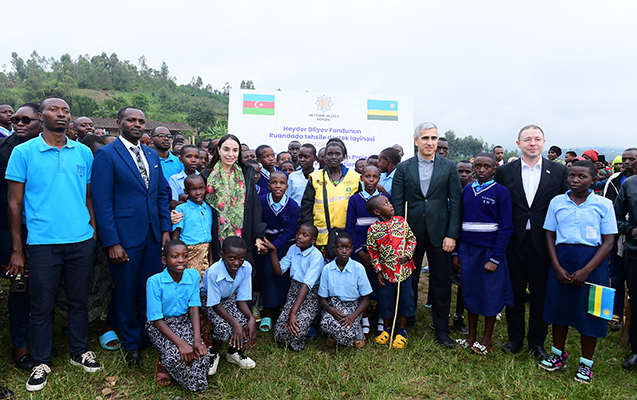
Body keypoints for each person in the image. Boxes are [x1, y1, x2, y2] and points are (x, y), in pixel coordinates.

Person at [6, 97, 100, 391]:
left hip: (80, 241)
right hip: (43, 242)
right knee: (41, 305)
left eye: (66, 111)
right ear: (40, 115)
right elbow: (13, 203)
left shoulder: (83, 153)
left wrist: (93, 231)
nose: (61, 115)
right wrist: (18, 249)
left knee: (78, 300)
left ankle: (79, 351)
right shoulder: (23, 152)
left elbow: (87, 196)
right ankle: (41, 361)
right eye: (53, 110)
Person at [92, 106, 172, 368]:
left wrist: (164, 230)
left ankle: (148, 334)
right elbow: (102, 202)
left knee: (148, 290)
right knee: (125, 292)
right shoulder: (106, 154)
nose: (137, 124)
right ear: (119, 123)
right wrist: (112, 241)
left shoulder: (151, 154)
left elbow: (160, 194)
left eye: (141, 121)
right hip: (124, 238)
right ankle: (131, 343)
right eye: (131, 120)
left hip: (152, 236)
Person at [494, 124, 569, 359]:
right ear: (518, 144)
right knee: (514, 293)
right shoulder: (505, 171)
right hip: (514, 241)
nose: (532, 143)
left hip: (544, 242)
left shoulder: (558, 172)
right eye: (527, 139)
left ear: (544, 143)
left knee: (540, 294)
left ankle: (537, 341)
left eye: (537, 139)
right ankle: (515, 338)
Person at [539, 160, 616, 383]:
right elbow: (549, 235)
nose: (575, 180)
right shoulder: (557, 202)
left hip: (593, 264)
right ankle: (557, 354)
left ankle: (586, 363)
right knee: (559, 310)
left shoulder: (603, 205)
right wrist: (557, 266)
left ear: (593, 179)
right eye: (572, 175)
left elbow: (609, 241)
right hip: (562, 261)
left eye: (582, 177)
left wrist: (587, 270)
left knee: (590, 314)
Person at [391, 122, 461, 348]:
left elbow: (456, 203)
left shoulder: (449, 167)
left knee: (441, 280)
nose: (430, 142)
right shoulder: (404, 168)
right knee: (408, 279)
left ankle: (441, 328)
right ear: (416, 141)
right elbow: (397, 202)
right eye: (425, 138)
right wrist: (399, 235)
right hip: (410, 234)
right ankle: (407, 320)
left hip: (440, 234)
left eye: (433, 138)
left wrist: (451, 234)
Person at [452, 154, 513, 355]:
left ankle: (486, 340)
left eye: (486, 166)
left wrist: (495, 258)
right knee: (470, 291)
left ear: (494, 169)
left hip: (489, 251)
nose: (481, 170)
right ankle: (471, 336)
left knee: (489, 294)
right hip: (468, 250)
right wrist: (456, 252)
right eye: (477, 166)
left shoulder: (501, 192)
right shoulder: (468, 190)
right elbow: (459, 221)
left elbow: (506, 227)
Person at [0, 103, 41, 371]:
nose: (19, 123)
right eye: (16, 119)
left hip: (45, 230)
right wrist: (15, 246)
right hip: (12, 231)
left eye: (26, 119)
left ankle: (41, 338)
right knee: (19, 286)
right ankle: (20, 345)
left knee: (43, 287)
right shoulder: (6, 151)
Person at [146, 240, 210, 391]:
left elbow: (194, 309)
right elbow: (155, 319)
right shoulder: (154, 282)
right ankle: (163, 363)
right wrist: (181, 344)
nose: (181, 260)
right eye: (175, 256)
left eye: (185, 256)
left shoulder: (193, 275)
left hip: (182, 322)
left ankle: (183, 369)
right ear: (164, 259)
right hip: (161, 325)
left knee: (202, 355)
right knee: (177, 355)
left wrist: (196, 340)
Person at [200, 134, 265, 264]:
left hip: (243, 235)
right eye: (226, 149)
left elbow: (254, 205)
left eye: (235, 150)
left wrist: (258, 236)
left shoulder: (247, 173)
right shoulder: (207, 176)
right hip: (217, 237)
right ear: (218, 150)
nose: (230, 154)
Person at [200, 236, 257, 373]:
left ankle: (233, 353)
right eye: (232, 258)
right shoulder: (213, 272)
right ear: (222, 255)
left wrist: (251, 318)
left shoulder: (246, 268)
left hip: (228, 298)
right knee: (223, 326)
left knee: (243, 321)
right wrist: (234, 323)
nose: (237, 263)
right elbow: (215, 304)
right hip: (209, 300)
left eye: (241, 258)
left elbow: (242, 299)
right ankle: (213, 354)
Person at [366, 195, 416, 349]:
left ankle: (401, 331)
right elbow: (372, 251)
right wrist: (378, 270)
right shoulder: (373, 229)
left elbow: (412, 239)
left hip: (404, 271)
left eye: (389, 202)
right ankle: (387, 329)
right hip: (387, 273)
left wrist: (407, 255)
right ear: (377, 211)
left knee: (404, 299)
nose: (391, 205)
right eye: (386, 204)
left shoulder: (401, 221)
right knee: (386, 300)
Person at [264, 224, 324, 351]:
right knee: (279, 333)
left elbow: (307, 285)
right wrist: (273, 250)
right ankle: (305, 326)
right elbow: (278, 271)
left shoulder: (316, 256)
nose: (299, 237)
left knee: (295, 333)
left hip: (309, 295)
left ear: (313, 240)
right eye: (298, 233)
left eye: (304, 235)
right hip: (294, 292)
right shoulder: (293, 249)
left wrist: (293, 312)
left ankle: (309, 327)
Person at [255, 171, 299, 332]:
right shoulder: (261, 202)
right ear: (268, 185)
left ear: (287, 187)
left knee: (283, 273)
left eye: (282, 183)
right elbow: (258, 223)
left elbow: (289, 232)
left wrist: (273, 246)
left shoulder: (293, 206)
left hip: (284, 245)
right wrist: (263, 243)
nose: (278, 186)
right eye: (274, 182)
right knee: (267, 272)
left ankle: (281, 305)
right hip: (264, 244)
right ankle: (267, 310)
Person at [345, 164, 387, 333]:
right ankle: (364, 318)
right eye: (367, 177)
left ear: (379, 178)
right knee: (363, 284)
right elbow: (350, 228)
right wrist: (360, 252)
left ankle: (382, 317)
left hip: (382, 252)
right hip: (361, 251)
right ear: (361, 178)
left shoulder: (384, 198)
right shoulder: (355, 200)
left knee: (382, 284)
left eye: (374, 177)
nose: (370, 180)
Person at [301, 138, 360, 255]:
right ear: (325, 157)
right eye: (330, 154)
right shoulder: (315, 177)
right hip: (320, 239)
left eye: (337, 154)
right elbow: (306, 207)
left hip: (345, 238)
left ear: (343, 157)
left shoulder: (355, 178)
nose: (333, 157)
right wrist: (310, 233)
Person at [319, 233, 371, 348]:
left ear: (352, 249)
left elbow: (366, 299)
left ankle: (357, 331)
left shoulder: (358, 268)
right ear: (334, 248)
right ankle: (338, 333)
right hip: (334, 306)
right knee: (324, 324)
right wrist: (331, 310)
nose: (344, 251)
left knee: (346, 334)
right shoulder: (327, 269)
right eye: (340, 247)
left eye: (347, 248)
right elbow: (322, 299)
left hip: (353, 307)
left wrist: (353, 316)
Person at [604, 148, 637, 331]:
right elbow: (611, 208)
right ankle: (615, 312)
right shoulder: (614, 180)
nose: (627, 162)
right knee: (616, 273)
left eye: (631, 159)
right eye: (624, 159)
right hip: (620, 233)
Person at [614, 169, 637, 370]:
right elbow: (617, 215)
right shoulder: (630, 185)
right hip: (635, 251)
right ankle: (636, 350)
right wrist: (630, 230)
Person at [172, 175, 213, 280]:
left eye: (201, 188)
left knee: (203, 283)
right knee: (188, 281)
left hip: (205, 253)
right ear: (186, 191)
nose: (198, 192)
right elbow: (175, 236)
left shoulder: (208, 208)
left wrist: (211, 260)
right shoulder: (181, 209)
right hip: (188, 253)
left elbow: (209, 237)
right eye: (193, 189)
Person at [168, 145, 200, 209]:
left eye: (196, 157)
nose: (193, 160)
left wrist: (183, 198)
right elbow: (173, 203)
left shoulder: (203, 177)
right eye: (189, 157)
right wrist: (193, 200)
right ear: (181, 160)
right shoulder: (174, 179)